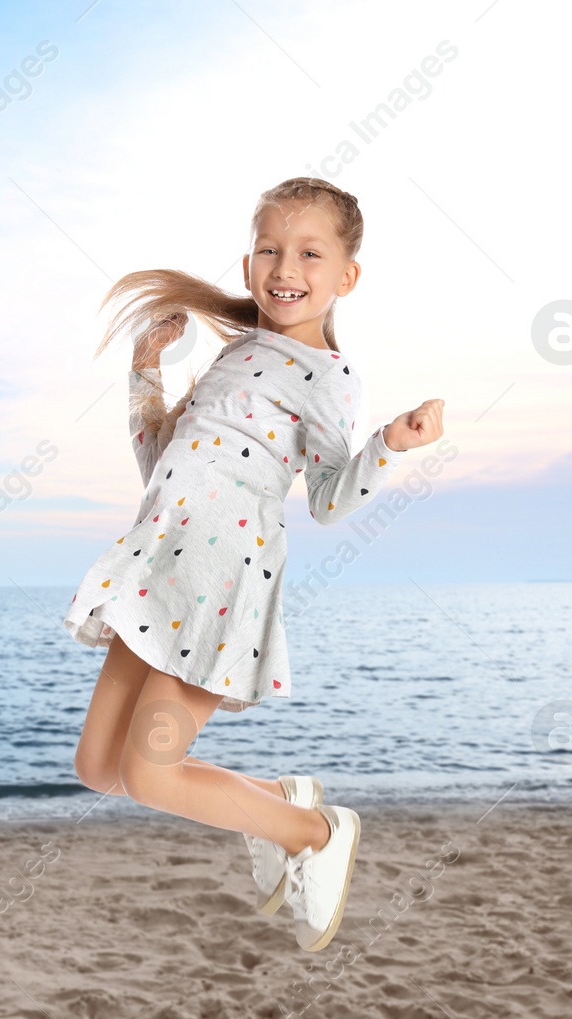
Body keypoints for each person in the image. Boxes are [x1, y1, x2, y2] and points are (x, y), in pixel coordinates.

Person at [65, 176, 444, 952]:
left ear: (346, 276)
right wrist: (147, 371)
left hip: (218, 586)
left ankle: (312, 830)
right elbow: (161, 463)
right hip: (156, 572)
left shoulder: (330, 377)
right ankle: (280, 797)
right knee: (99, 766)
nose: (285, 266)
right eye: (270, 248)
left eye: (309, 252)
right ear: (247, 266)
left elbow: (331, 500)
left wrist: (389, 446)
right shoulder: (237, 354)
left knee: (154, 774)